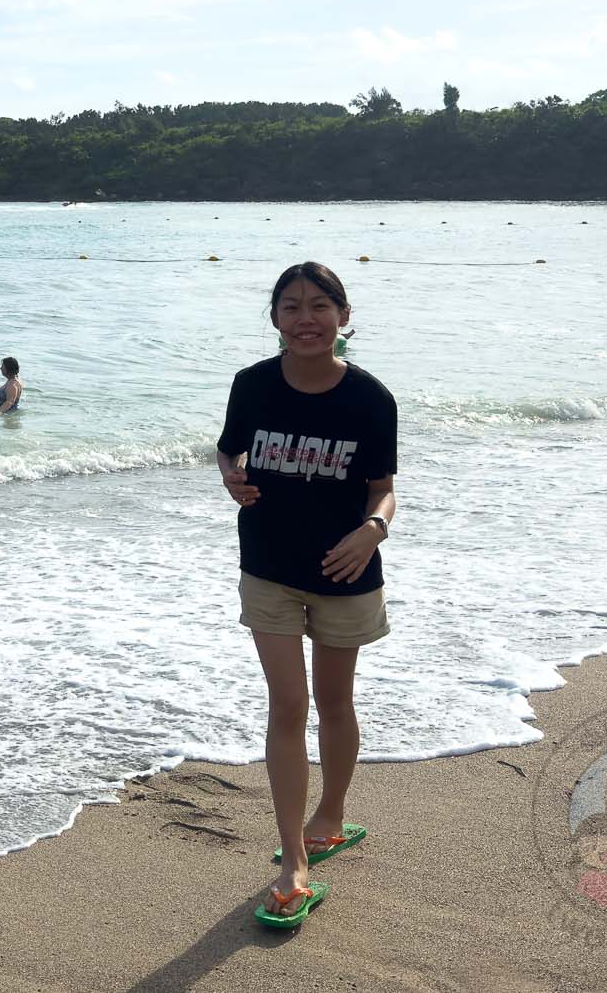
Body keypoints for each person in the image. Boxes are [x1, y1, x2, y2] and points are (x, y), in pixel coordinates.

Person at [217, 262, 397, 930]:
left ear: (343, 316)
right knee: (287, 704)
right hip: (267, 566)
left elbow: (383, 484)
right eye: (290, 306)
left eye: (320, 305)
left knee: (335, 701)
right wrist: (232, 477)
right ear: (274, 319)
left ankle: (331, 816)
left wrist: (372, 531)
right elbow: (229, 452)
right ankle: (294, 861)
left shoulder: (371, 399)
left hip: (346, 572)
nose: (306, 318)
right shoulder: (252, 386)